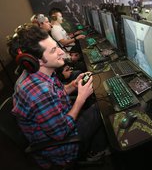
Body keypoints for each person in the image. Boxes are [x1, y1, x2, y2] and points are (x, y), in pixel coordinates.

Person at [9, 24, 108, 169]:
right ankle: (96, 151)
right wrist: (81, 99)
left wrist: (74, 84)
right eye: (54, 50)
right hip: (62, 149)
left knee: (98, 102)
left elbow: (59, 93)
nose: (62, 52)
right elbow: (61, 133)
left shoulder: (43, 74)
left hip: (61, 124)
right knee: (101, 108)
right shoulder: (39, 91)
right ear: (36, 61)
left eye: (57, 46)